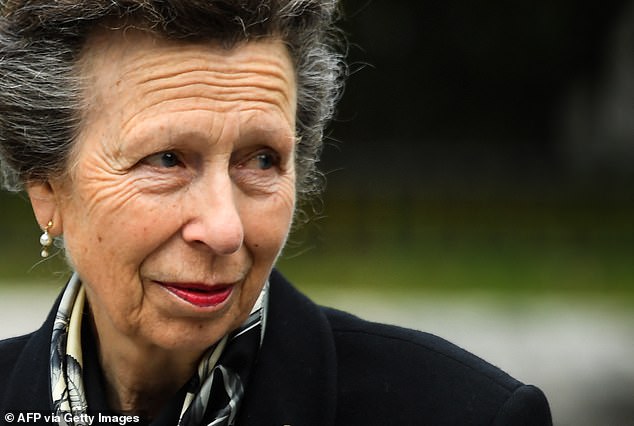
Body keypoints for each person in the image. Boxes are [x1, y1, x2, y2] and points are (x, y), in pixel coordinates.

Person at [0, 1, 552, 424]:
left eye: (261, 160)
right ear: (47, 188)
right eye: (167, 159)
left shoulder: (464, 414)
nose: (223, 229)